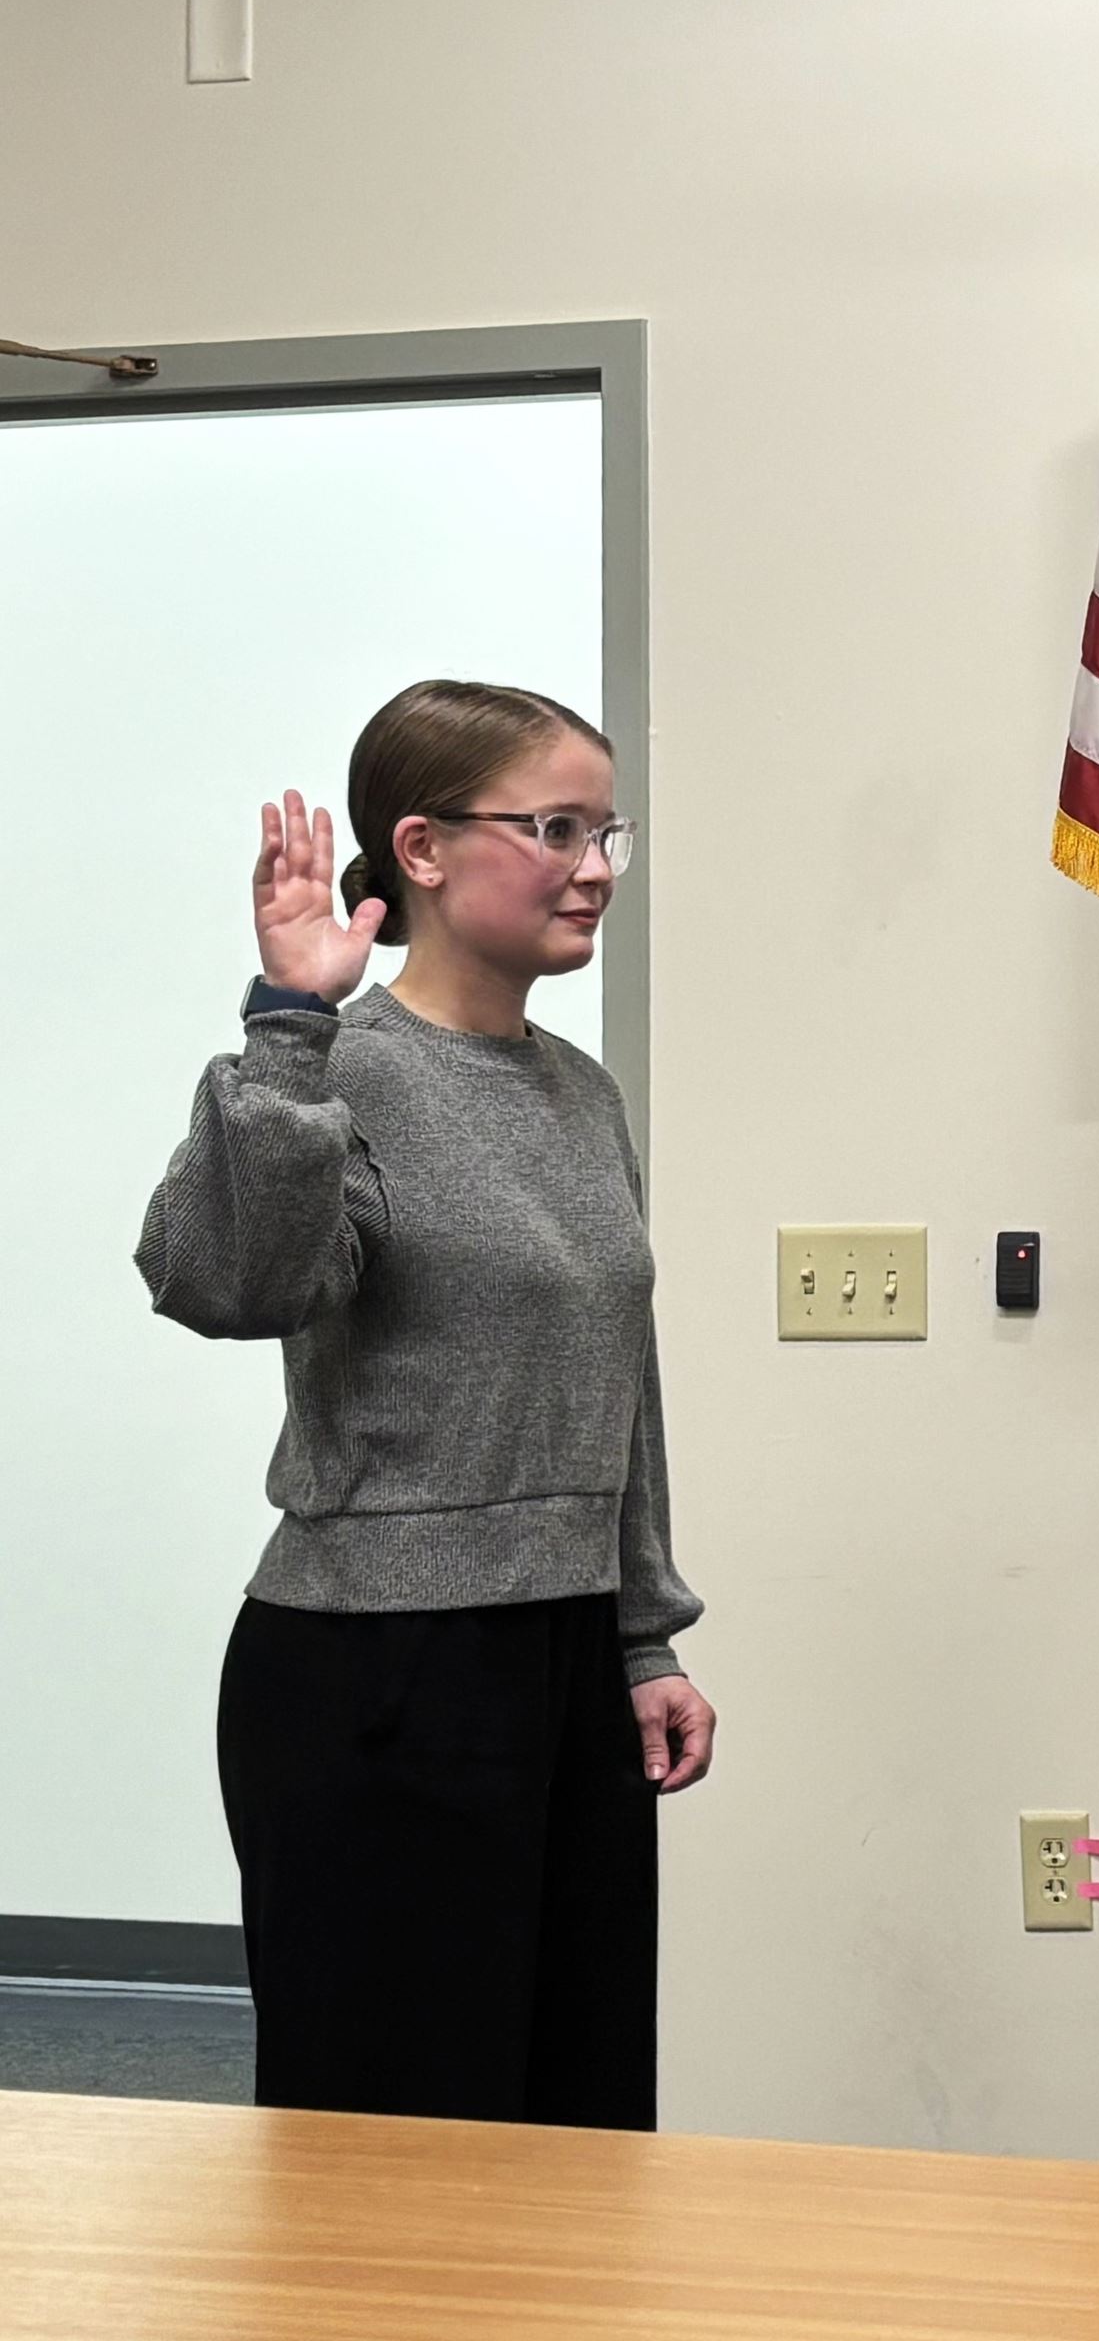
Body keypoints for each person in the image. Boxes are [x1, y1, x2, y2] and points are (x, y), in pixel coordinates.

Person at [135, 678, 713, 2130]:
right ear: (426, 849)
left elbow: (616, 1382)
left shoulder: (581, 1093)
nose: (594, 867)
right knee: (396, 2137)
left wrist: (642, 1633)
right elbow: (225, 1281)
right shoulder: (338, 1072)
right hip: (375, 1677)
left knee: (575, 2113)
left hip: (568, 1664)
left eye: (607, 832)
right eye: (556, 828)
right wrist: (286, 1027)